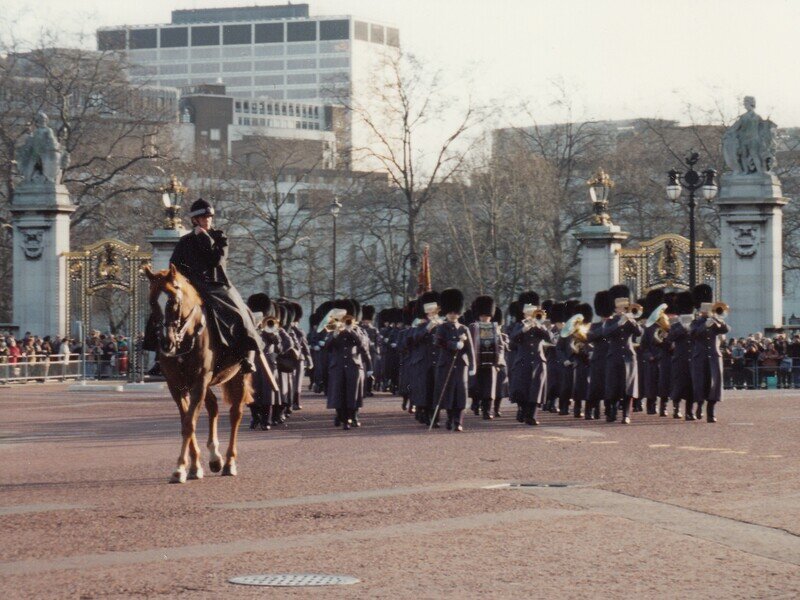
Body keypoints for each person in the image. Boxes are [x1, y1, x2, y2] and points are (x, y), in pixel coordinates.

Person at [157, 198, 263, 374]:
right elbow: (174, 266)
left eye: (209, 217)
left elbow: (217, 260)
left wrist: (204, 238)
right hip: (191, 288)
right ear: (195, 220)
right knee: (162, 310)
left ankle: (245, 354)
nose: (207, 220)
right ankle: (159, 356)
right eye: (203, 217)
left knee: (239, 312)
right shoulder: (185, 242)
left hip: (216, 285)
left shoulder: (219, 237)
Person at [432, 289, 475, 432]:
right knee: (449, 393)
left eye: (455, 312)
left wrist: (472, 366)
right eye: (450, 312)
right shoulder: (441, 328)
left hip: (461, 365)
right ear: (446, 313)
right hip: (446, 364)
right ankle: (450, 419)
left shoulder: (464, 329)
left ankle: (459, 421)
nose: (452, 315)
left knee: (461, 394)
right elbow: (438, 342)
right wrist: (453, 344)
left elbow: (470, 350)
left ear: (459, 313)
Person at [689, 284, 730, 423]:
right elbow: (693, 334)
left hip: (714, 356)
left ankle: (711, 412)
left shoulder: (716, 321)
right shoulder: (695, 322)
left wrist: (717, 320)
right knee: (701, 383)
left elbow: (726, 330)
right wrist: (704, 325)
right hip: (700, 357)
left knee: (714, 384)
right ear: (700, 310)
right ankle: (699, 406)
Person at [602, 285, 642, 424]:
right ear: (615, 308)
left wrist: (631, 320)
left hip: (629, 356)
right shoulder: (610, 321)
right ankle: (611, 412)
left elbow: (639, 333)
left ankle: (626, 414)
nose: (623, 309)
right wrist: (619, 323)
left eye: (625, 307)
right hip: (614, 356)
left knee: (628, 387)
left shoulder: (631, 320)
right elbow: (605, 334)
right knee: (613, 386)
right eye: (620, 307)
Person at [509, 292, 549, 426]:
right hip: (523, 361)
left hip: (538, 361)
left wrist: (538, 325)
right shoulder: (519, 326)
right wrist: (523, 330)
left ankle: (531, 416)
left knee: (536, 389)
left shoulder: (540, 325)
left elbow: (550, 338)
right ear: (524, 312)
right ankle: (522, 409)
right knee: (522, 389)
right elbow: (512, 341)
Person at [469, 295, 506, 421]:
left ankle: (487, 411)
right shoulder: (473, 327)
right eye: (483, 315)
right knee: (476, 387)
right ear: (479, 315)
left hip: (491, 363)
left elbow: (500, 345)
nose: (485, 318)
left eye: (487, 316)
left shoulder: (495, 328)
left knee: (489, 389)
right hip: (477, 361)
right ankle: (476, 404)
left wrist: (499, 360)